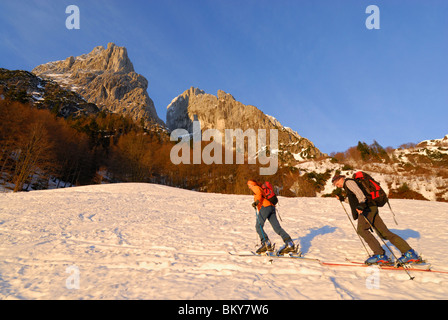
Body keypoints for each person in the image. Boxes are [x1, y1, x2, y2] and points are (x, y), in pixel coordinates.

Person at [332, 174, 422, 265]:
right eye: (335, 184)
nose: (336, 185)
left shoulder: (348, 182)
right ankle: (409, 253)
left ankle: (380, 255)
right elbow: (354, 200)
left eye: (336, 182)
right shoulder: (348, 185)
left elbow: (360, 194)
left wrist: (362, 205)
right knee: (384, 232)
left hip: (367, 209)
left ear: (341, 178)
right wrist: (343, 199)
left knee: (362, 230)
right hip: (371, 207)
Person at [247, 180, 295, 255]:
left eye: (249, 185)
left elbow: (259, 194)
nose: (249, 187)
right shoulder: (260, 187)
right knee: (277, 228)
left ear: (251, 184)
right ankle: (289, 243)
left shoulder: (255, 187)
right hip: (271, 207)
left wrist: (256, 202)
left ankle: (266, 243)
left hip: (265, 207)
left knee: (258, 226)